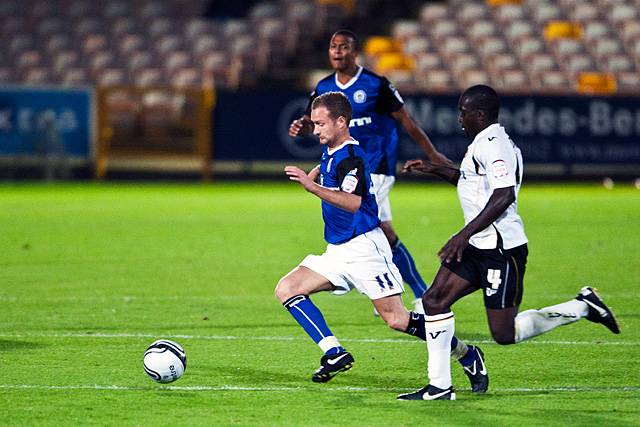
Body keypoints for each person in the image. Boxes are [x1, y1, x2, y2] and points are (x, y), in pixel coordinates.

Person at [398, 85, 620, 401]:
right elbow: (473, 183)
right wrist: (434, 169)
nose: (459, 117)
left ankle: (582, 306)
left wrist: (462, 235)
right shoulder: (483, 142)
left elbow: (504, 195)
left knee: (504, 333)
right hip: (478, 245)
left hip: (501, 251)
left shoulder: (494, 144)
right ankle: (439, 386)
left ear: (479, 114)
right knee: (434, 301)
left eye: (463, 111)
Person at [276, 91, 487, 388]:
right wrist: (315, 174)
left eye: (321, 124)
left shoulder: (353, 157)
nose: (316, 130)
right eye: (314, 123)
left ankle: (466, 354)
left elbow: (351, 202)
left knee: (398, 320)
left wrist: (311, 186)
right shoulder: (332, 149)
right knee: (287, 288)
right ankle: (334, 352)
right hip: (337, 250)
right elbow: (326, 169)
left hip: (365, 249)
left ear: (340, 122)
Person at [289, 29, 450, 313]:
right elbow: (311, 118)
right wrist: (302, 125)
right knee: (384, 232)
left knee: (375, 228)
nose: (337, 51)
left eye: (344, 46)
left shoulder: (377, 85)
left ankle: (412, 293)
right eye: (333, 46)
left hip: (375, 167)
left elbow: (407, 121)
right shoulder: (324, 86)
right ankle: (399, 290)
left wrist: (432, 154)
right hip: (342, 167)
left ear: (355, 52)